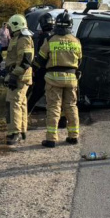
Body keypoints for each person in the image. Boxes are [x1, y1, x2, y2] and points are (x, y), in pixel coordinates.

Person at [35, 12, 82, 147]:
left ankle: (51, 139)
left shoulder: (51, 40)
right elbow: (79, 61)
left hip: (53, 79)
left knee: (54, 108)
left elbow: (41, 59)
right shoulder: (76, 41)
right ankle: (73, 136)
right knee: (71, 106)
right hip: (71, 79)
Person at [3, 14, 34, 145]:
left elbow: (26, 60)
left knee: (13, 103)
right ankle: (21, 131)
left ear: (16, 25)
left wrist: (14, 75)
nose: (8, 29)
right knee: (21, 103)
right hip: (19, 75)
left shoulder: (23, 38)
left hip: (20, 76)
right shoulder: (18, 37)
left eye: (9, 27)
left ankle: (15, 133)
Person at [28, 12, 55, 108]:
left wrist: (34, 67)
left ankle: (27, 110)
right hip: (54, 68)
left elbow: (41, 55)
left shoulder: (44, 37)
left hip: (44, 69)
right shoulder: (55, 36)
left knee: (36, 92)